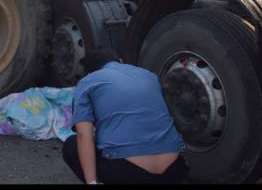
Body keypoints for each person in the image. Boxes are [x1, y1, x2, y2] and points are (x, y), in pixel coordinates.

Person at [62, 49, 189, 185]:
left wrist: (91, 182)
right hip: (175, 171)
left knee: (72, 144)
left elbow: (83, 134)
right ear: (121, 61)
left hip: (126, 174)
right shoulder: (149, 75)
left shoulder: (88, 81)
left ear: (90, 72)